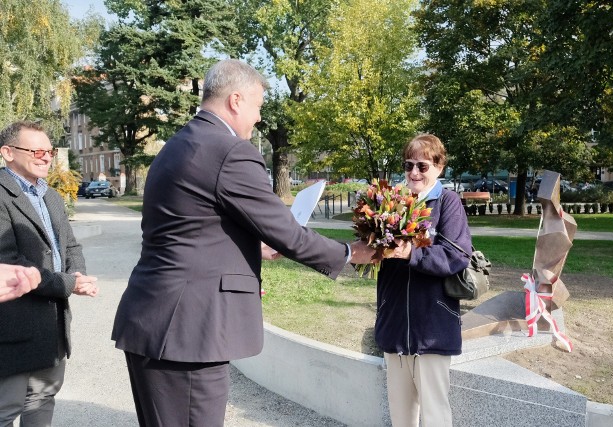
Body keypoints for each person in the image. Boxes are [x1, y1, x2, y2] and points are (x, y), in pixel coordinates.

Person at [111, 59, 371, 427]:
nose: (259, 118)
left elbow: (191, 228)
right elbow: (288, 232)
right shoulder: (230, 150)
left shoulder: (179, 144)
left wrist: (253, 247)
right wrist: (351, 253)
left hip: (157, 321)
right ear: (236, 100)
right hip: (188, 332)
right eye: (258, 106)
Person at [359, 134, 472, 426]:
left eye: (422, 166)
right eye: (408, 165)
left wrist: (412, 253)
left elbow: (456, 256)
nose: (414, 173)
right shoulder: (392, 202)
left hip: (432, 327)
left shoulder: (447, 202)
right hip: (395, 325)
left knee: (435, 415)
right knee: (401, 416)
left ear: (439, 167)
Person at [0, 121, 99, 426]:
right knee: (6, 408)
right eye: (37, 150)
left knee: (43, 400)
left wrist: (78, 274)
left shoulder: (51, 197)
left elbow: (70, 246)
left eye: (50, 151)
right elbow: (12, 264)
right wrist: (69, 284)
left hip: (51, 327)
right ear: (8, 153)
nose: (46, 157)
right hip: (11, 328)